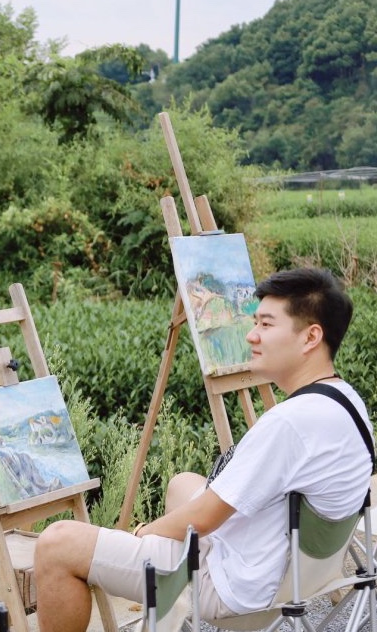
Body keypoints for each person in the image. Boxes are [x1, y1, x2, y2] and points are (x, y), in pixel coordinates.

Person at [34, 267, 373, 632]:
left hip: (238, 588)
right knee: (182, 483)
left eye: (266, 324)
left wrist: (141, 533)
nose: (252, 335)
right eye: (254, 323)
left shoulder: (290, 423)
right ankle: (166, 603)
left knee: (57, 544)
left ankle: (170, 590)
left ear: (310, 337)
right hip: (295, 574)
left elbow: (205, 518)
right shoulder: (345, 401)